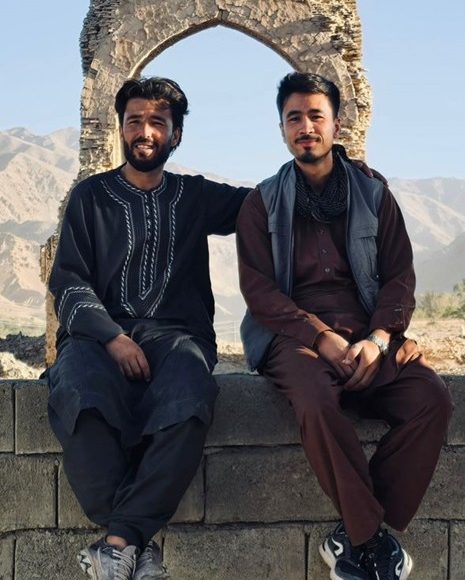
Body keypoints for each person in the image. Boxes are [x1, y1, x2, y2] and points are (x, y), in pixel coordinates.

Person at [236, 72, 452, 580]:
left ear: (336, 124)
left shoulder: (374, 194)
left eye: (316, 115)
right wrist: (320, 337)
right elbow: (260, 291)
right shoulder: (261, 203)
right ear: (282, 129)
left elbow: (399, 277)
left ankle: (355, 532)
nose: (305, 127)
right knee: (314, 400)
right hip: (293, 336)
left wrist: (378, 339)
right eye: (294, 118)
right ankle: (371, 539)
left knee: (432, 400)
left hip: (369, 333)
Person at [46, 77, 250, 580]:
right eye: (134, 120)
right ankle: (136, 541)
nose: (144, 131)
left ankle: (118, 544)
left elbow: (265, 205)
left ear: (175, 134)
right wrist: (112, 337)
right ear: (121, 129)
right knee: (81, 396)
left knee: (189, 398)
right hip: (97, 335)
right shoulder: (90, 197)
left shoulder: (193, 195)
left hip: (177, 335)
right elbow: (69, 279)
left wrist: (332, 170)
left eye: (157, 122)